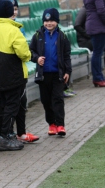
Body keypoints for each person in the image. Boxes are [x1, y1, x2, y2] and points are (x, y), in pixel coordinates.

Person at [0, 0, 39, 144]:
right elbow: (24, 53)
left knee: (4, 104)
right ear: (10, 11)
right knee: (13, 106)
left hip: (0, 74)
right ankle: (6, 136)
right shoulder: (14, 30)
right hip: (14, 74)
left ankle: (2, 135)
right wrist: (31, 55)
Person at [29, 8, 72, 137]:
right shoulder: (37, 36)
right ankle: (51, 124)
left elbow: (66, 56)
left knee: (58, 99)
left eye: (52, 20)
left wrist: (67, 71)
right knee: (46, 100)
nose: (49, 23)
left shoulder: (62, 36)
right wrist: (37, 58)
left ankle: (60, 125)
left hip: (58, 74)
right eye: (46, 21)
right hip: (43, 75)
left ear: (57, 22)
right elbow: (30, 52)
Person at [82, 0, 105, 87]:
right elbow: (101, 10)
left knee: (97, 52)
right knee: (97, 53)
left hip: (91, 24)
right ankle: (98, 78)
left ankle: (98, 77)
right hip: (99, 26)